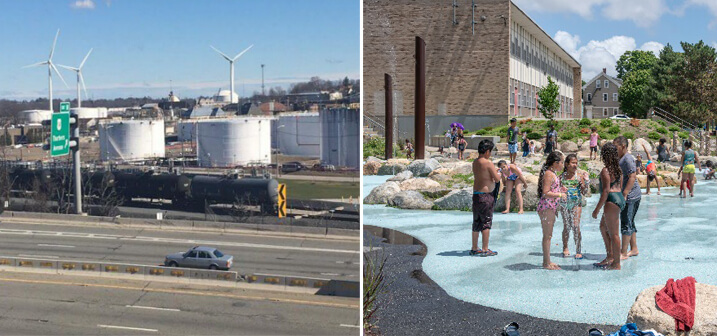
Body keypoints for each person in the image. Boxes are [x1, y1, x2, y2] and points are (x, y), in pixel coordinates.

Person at [592, 142, 624, 270]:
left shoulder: (606, 170)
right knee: (603, 227)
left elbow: (605, 191)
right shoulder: (619, 170)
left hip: (611, 200)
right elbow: (619, 187)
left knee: (614, 234)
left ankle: (616, 263)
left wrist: (596, 210)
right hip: (619, 198)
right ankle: (610, 256)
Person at [470, 139, 502, 257]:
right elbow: (497, 179)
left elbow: (483, 175)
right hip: (486, 196)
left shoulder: (475, 162)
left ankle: (474, 248)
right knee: (486, 222)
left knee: (476, 222)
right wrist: (499, 173)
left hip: (476, 195)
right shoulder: (488, 163)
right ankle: (485, 248)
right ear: (487, 151)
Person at [537, 151, 566, 270]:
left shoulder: (552, 173)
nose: (563, 165)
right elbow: (545, 192)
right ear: (555, 163)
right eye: (562, 162)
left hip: (550, 207)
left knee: (549, 235)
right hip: (546, 207)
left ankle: (547, 260)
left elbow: (551, 189)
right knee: (547, 235)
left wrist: (560, 189)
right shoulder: (549, 174)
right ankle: (546, 263)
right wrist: (559, 194)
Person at [614, 136, 641, 260]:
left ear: (623, 146)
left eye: (616, 146)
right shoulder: (621, 158)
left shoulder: (627, 159)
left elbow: (632, 176)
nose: (614, 149)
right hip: (631, 195)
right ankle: (634, 249)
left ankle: (623, 252)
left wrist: (624, 194)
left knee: (625, 223)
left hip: (631, 196)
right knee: (630, 222)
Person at [560, 154, 589, 259]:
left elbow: (584, 192)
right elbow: (557, 191)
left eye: (576, 163)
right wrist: (560, 191)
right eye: (573, 163)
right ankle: (565, 247)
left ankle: (578, 249)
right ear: (567, 164)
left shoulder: (578, 177)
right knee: (567, 226)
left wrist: (586, 183)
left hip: (576, 204)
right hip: (564, 204)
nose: (575, 165)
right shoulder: (561, 177)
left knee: (576, 226)